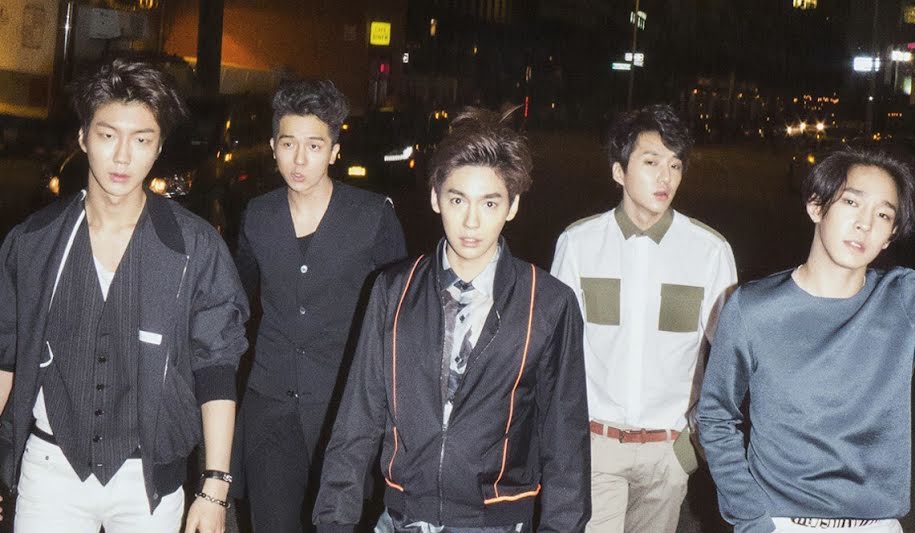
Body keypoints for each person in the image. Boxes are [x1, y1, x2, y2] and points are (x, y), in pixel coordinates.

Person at [312, 107, 591, 532]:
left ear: (512, 206)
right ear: (435, 198)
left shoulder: (549, 303)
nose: (471, 222)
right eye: (457, 200)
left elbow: (565, 441)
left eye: (490, 203)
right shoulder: (393, 291)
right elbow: (357, 420)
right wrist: (334, 521)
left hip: (496, 522)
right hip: (402, 518)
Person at [0, 58, 249, 532]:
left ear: (159, 148)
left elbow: (216, 367)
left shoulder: (193, 246)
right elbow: (5, 357)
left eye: (141, 140)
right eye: (108, 135)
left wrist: (214, 487)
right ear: (83, 137)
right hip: (50, 469)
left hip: (148, 480)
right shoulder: (34, 242)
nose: (121, 157)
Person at [697, 146, 915, 533]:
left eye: (883, 214)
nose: (865, 224)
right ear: (816, 206)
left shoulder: (902, 297)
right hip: (782, 523)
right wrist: (750, 519)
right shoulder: (753, 307)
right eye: (852, 202)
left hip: (877, 526)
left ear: (890, 237)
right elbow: (716, 416)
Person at [550, 104, 737, 533]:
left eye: (675, 165)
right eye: (651, 162)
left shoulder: (709, 251)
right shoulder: (579, 244)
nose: (665, 177)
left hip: (667, 452)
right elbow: (556, 352)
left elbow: (729, 360)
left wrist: (690, 447)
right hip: (596, 445)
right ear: (619, 171)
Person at [232, 79, 406, 532]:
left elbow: (399, 318)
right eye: (288, 144)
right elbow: (236, 303)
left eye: (314, 145)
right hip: (270, 407)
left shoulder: (372, 216)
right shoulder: (257, 215)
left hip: (346, 410)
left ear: (334, 151)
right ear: (273, 147)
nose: (299, 159)